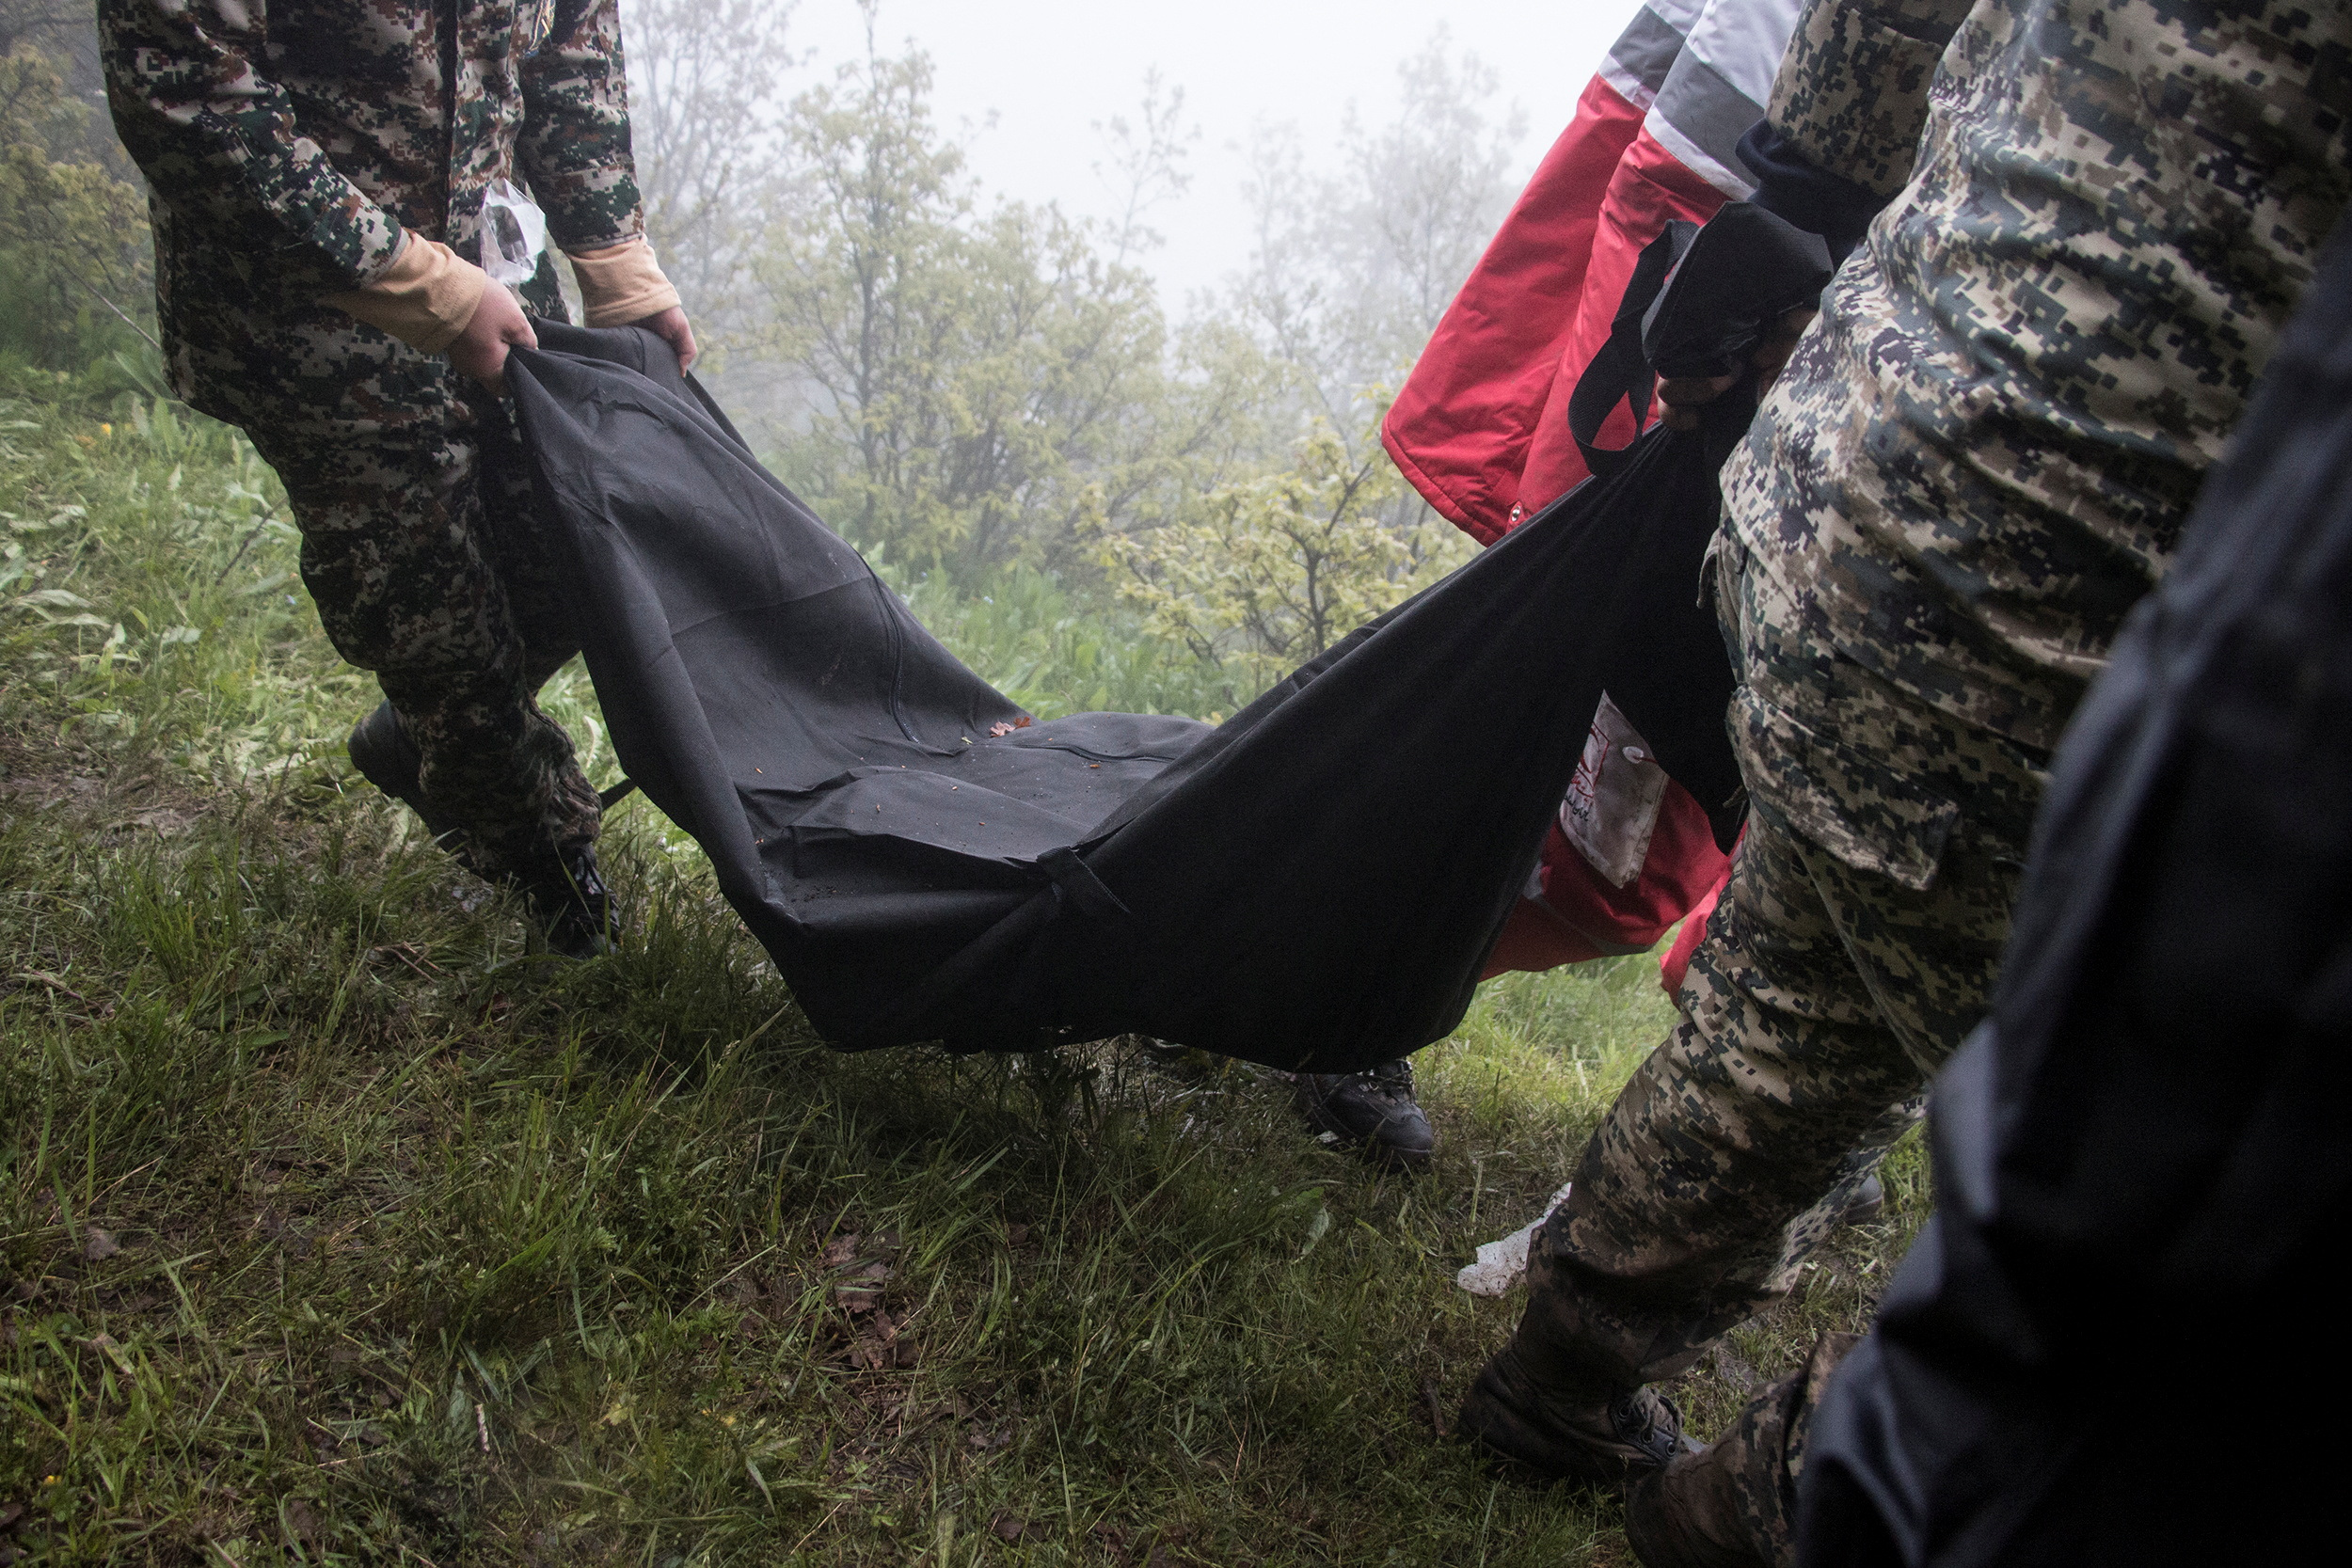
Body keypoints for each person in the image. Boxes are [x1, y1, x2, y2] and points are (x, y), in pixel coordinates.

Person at [1453, 0, 2352, 1532]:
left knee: (1795, 1008)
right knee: (2159, 1165)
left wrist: (1804, 185)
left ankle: (1561, 1377)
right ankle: (1790, 1492)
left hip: (1835, 483)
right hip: (2075, 602)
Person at [1295, 0, 1809, 1170]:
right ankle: (1318, 966)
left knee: (1649, 784)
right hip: (1750, 246)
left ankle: (1306, 948)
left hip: (1838, 298)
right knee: (1599, 777)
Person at [97, 0, 695, 955]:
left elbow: (571, 49)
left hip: (495, 273)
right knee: (438, 614)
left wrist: (615, 256)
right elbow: (182, 87)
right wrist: (414, 283)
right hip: (310, 300)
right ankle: (542, 863)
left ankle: (419, 734)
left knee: (583, 548)